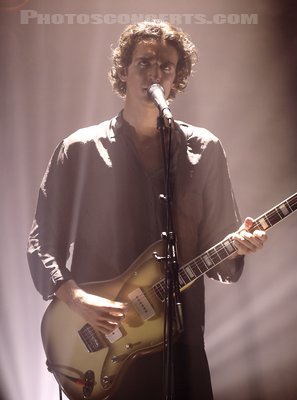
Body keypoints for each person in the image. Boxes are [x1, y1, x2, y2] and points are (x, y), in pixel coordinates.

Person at [27, 20, 267, 399]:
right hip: (102, 341)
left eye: (166, 66)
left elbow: (219, 251)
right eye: (144, 63)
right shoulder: (80, 150)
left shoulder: (204, 150)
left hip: (180, 341)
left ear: (177, 78)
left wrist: (238, 244)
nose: (155, 74)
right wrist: (76, 298)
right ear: (123, 70)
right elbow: (43, 240)